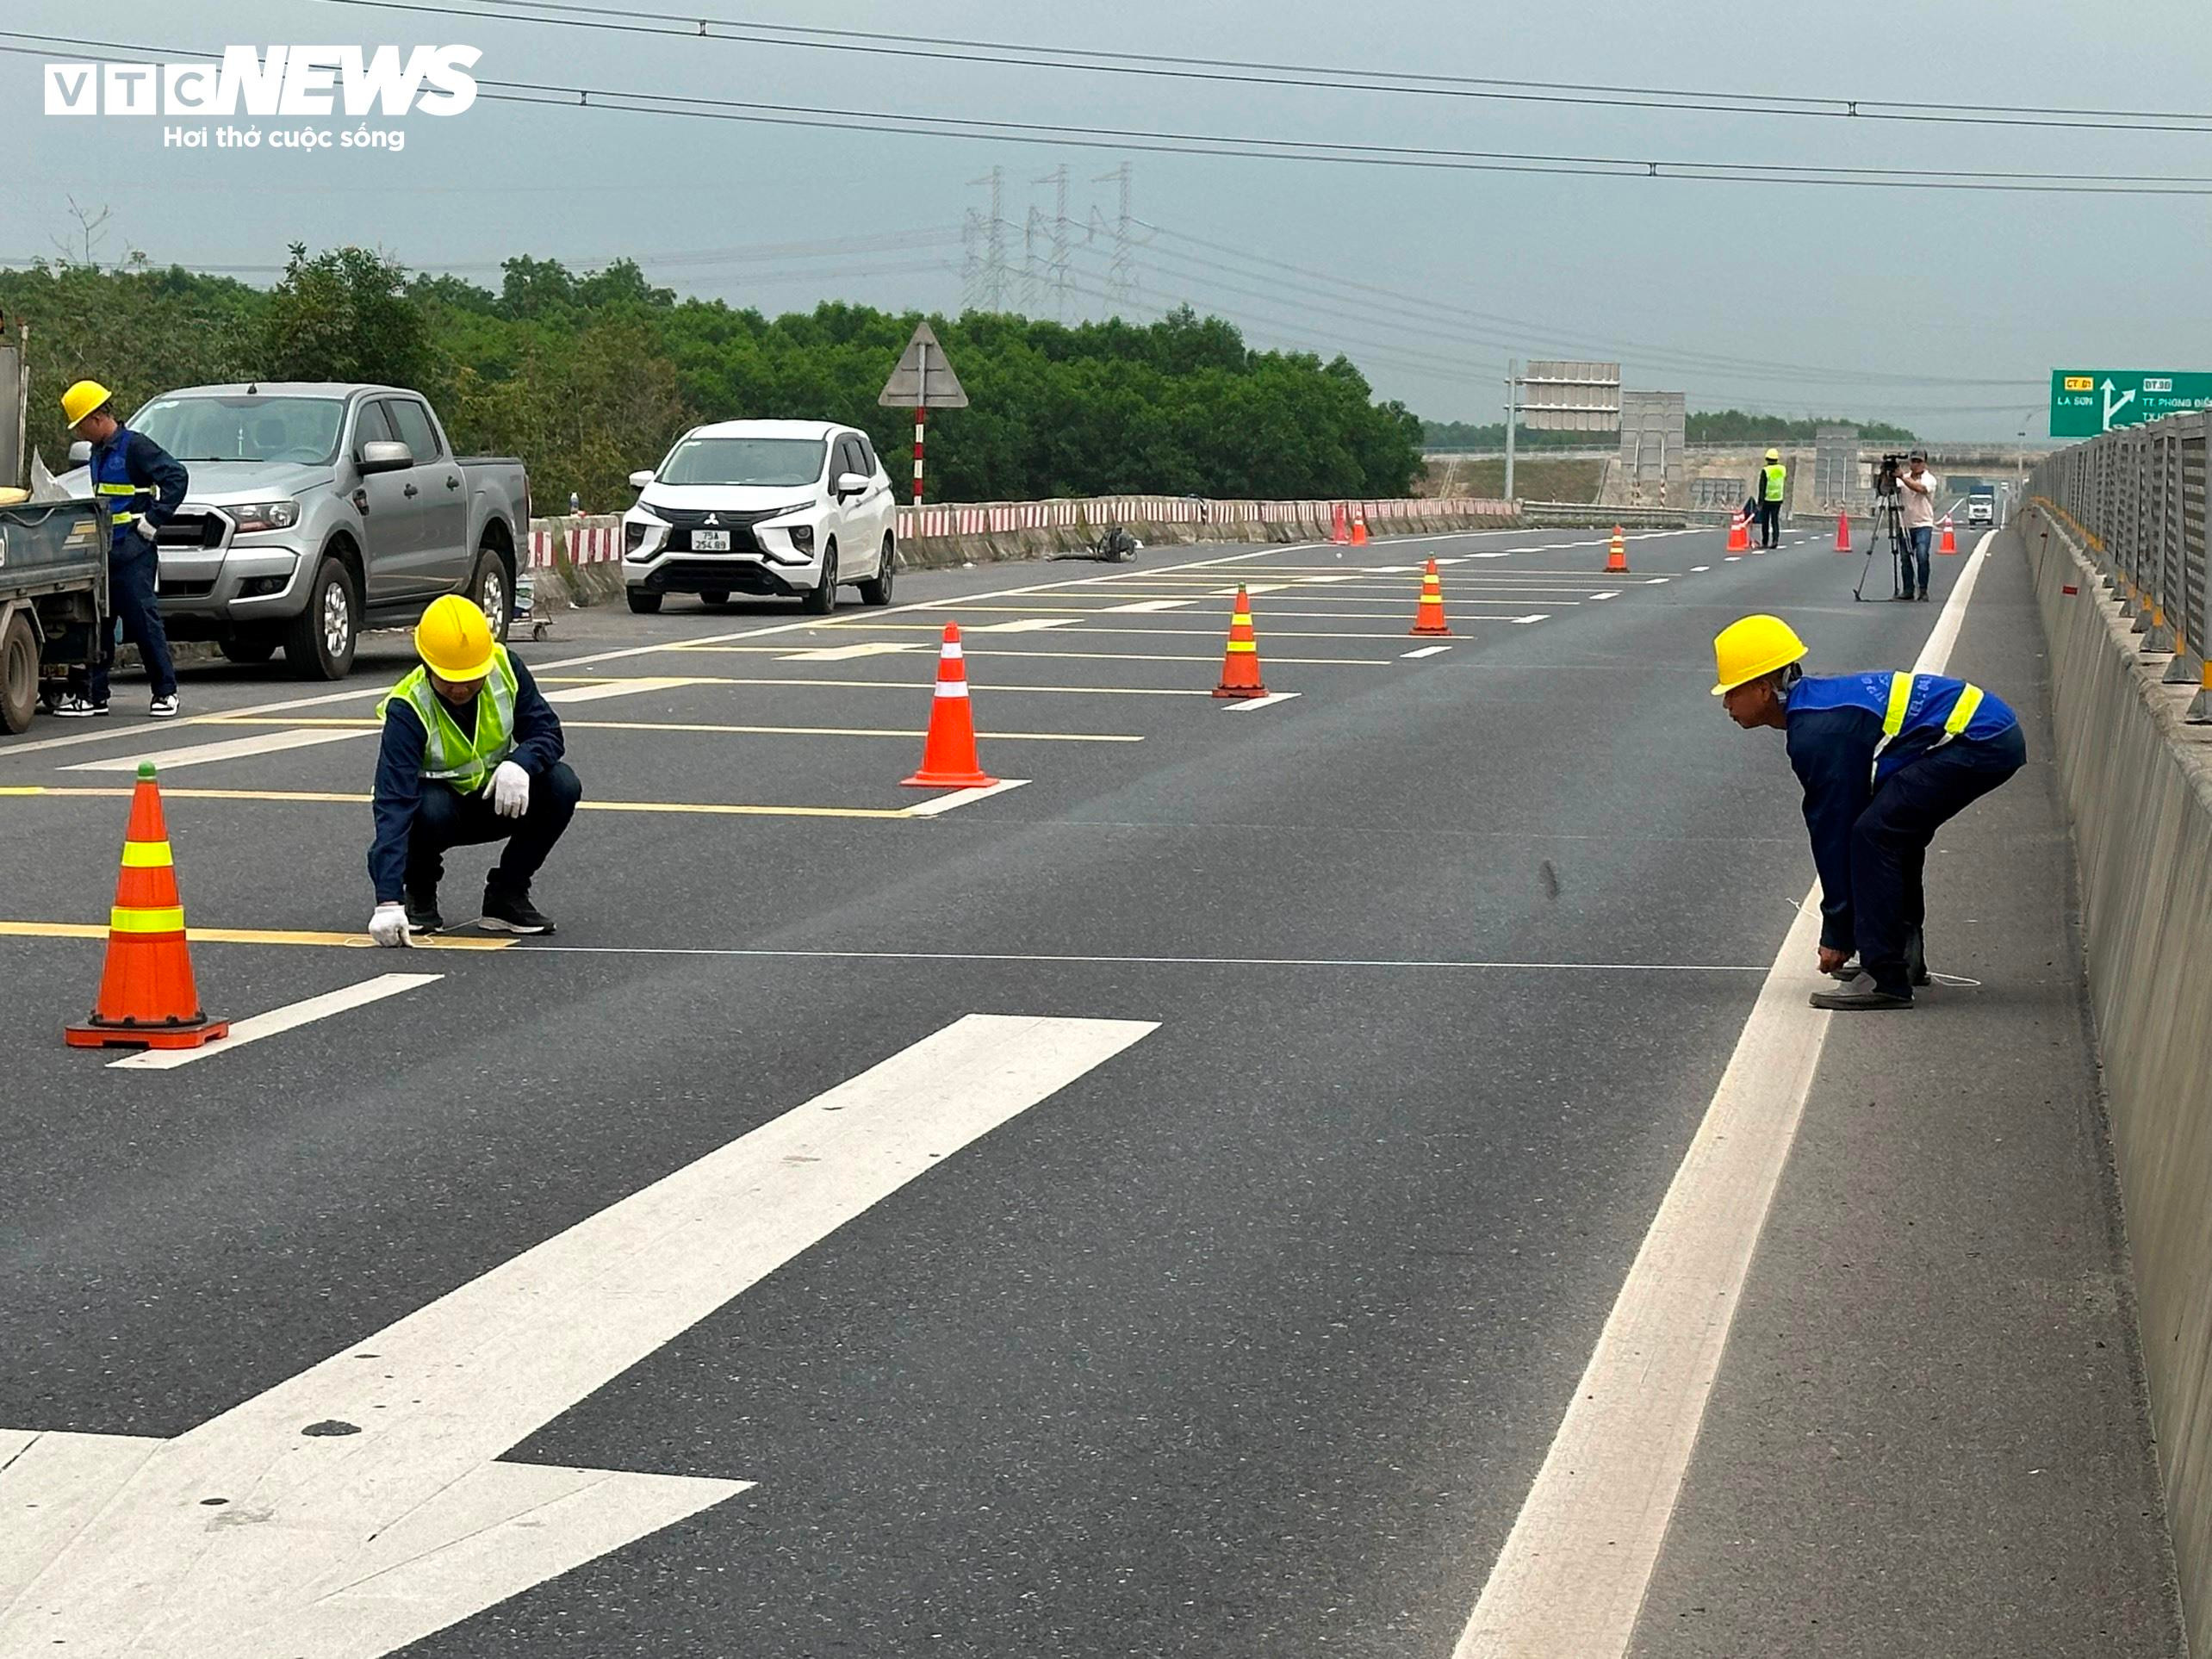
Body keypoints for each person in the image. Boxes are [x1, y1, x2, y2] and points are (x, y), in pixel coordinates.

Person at [1712, 613, 2026, 1011]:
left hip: (1980, 741)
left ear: (1761, 689)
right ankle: (1902, 958)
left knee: (1873, 836)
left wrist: (1838, 932)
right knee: (1893, 833)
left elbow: (1833, 833)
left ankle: (1885, 977)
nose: (1726, 704)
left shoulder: (1817, 734)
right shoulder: (1818, 709)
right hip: (1987, 733)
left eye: (1731, 692)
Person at [366, 594, 582, 944]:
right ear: (427, 664)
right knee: (426, 809)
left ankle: (506, 897)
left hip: (495, 799)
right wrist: (387, 900)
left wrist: (520, 763)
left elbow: (548, 733)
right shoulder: (407, 707)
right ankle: (418, 895)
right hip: (434, 815)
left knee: (561, 784)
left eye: (471, 677)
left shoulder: (505, 668)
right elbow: (393, 802)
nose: (461, 688)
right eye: (449, 678)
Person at [53, 380, 186, 719]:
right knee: (99, 624)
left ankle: (165, 693)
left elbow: (176, 477)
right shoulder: (99, 451)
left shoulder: (136, 448)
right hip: (107, 552)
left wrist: (151, 524)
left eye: (81, 425)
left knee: (143, 622)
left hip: (134, 551)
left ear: (97, 418)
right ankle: (94, 696)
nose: (79, 434)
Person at [1895, 450, 1942, 601]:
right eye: (1913, 461)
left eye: (1918, 461)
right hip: (1905, 524)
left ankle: (1923, 590)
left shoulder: (1929, 479)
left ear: (1924, 463)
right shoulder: (1903, 478)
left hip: (1923, 524)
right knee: (1905, 558)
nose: (1915, 464)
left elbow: (1921, 489)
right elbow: (1886, 490)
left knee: (1922, 555)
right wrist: (1886, 475)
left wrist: (1902, 477)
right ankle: (1908, 590)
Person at [1755, 447, 1786, 550]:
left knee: (1765, 521)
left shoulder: (1765, 471)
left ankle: (1765, 542)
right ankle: (1775, 540)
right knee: (1775, 520)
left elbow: (1762, 488)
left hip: (1767, 499)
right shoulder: (1782, 469)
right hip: (1778, 499)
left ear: (1767, 459)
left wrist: (1760, 503)